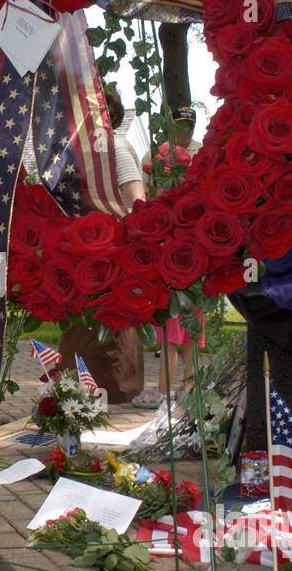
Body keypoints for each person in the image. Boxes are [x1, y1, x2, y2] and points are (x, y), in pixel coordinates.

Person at [59, 87, 144, 404]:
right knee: (86, 324)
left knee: (107, 326)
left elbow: (137, 200)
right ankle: (80, 389)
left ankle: (107, 391)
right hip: (85, 252)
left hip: (110, 254)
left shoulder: (115, 147)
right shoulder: (79, 151)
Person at [135, 104, 203, 409]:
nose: (184, 133)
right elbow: (145, 198)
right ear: (169, 125)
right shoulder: (155, 156)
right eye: (179, 126)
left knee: (192, 323)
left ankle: (186, 388)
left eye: (188, 127)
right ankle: (167, 388)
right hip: (167, 242)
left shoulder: (203, 154)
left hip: (196, 243)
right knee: (171, 319)